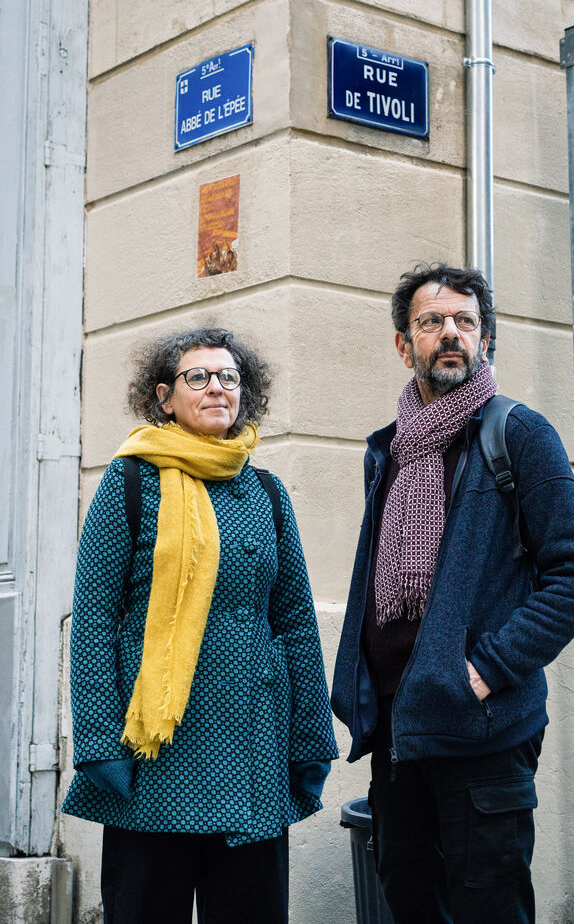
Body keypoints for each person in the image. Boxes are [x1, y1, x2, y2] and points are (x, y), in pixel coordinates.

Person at [331, 264, 574, 924]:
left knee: (488, 907)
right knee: (410, 902)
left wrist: (485, 669)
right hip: (400, 730)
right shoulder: (389, 451)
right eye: (431, 322)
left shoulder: (519, 435)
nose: (450, 333)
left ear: (486, 340)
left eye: (465, 321)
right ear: (404, 345)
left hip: (481, 730)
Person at [62, 326, 338, 924]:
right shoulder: (130, 482)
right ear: (164, 397)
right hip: (152, 759)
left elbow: (294, 621)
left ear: (245, 393)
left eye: (229, 377)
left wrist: (311, 740)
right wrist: (99, 743)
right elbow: (94, 620)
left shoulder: (267, 492)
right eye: (198, 376)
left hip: (253, 751)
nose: (217, 387)